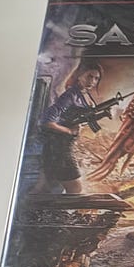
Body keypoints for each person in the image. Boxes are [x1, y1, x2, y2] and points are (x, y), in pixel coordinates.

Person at [33, 60, 103, 194]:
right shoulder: (70, 96)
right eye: (89, 76)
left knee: (45, 189)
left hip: (64, 147)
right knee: (75, 189)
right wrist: (69, 131)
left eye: (96, 78)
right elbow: (46, 121)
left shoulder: (84, 94)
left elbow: (83, 118)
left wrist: (103, 113)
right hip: (59, 149)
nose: (93, 81)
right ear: (80, 75)